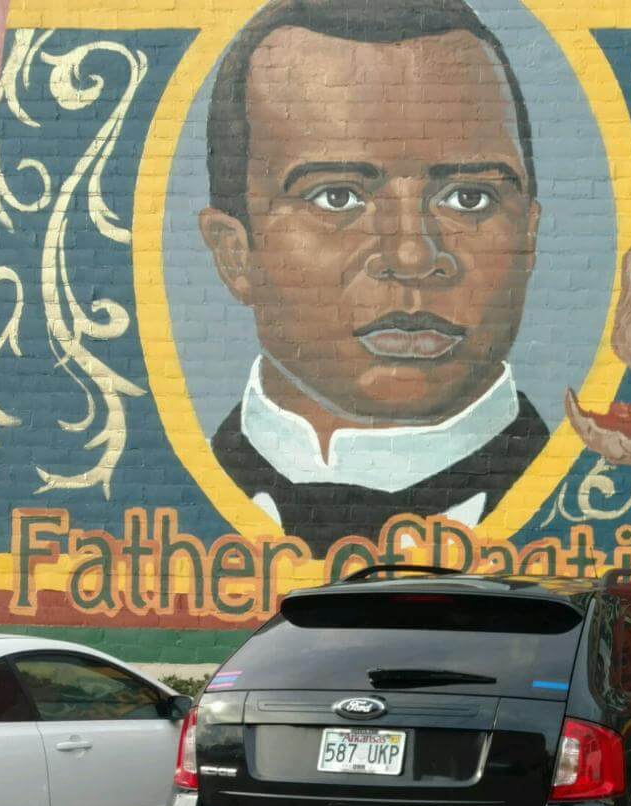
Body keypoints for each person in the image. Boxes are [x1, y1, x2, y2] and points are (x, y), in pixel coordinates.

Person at [196, 0, 551, 549]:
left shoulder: (568, 486)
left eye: (469, 197)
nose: (412, 256)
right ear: (234, 254)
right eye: (336, 198)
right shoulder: (186, 498)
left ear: (529, 236)